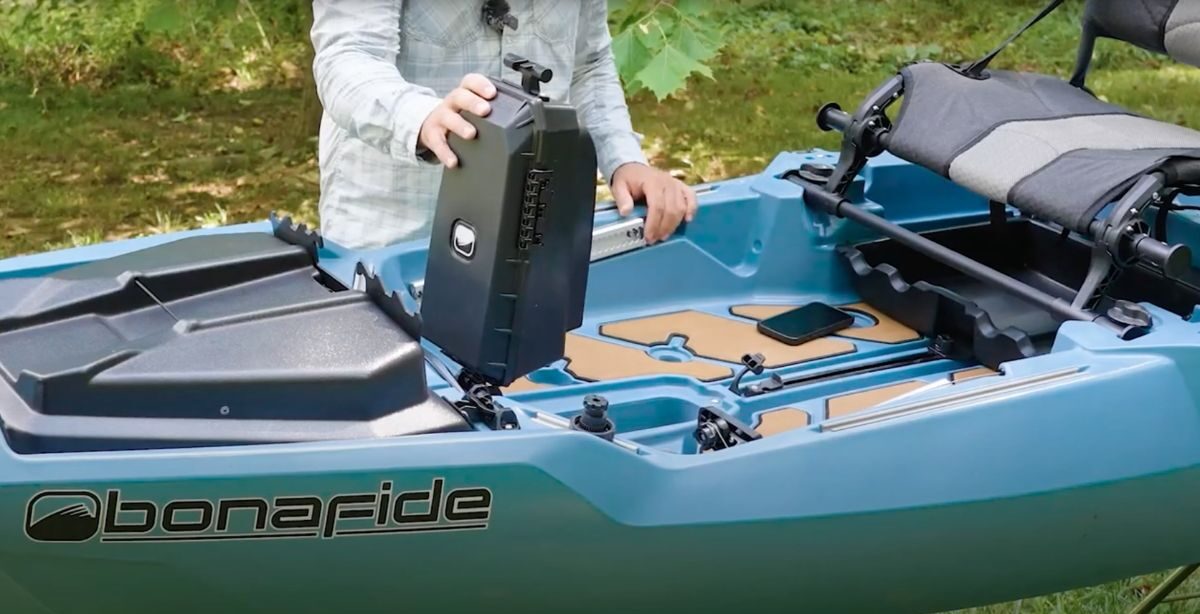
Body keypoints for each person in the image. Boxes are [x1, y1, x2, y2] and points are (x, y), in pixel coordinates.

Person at [310, 0, 697, 250]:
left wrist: (623, 159)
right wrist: (420, 117)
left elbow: (588, 64)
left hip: (529, 227)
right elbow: (347, 57)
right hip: (391, 235)